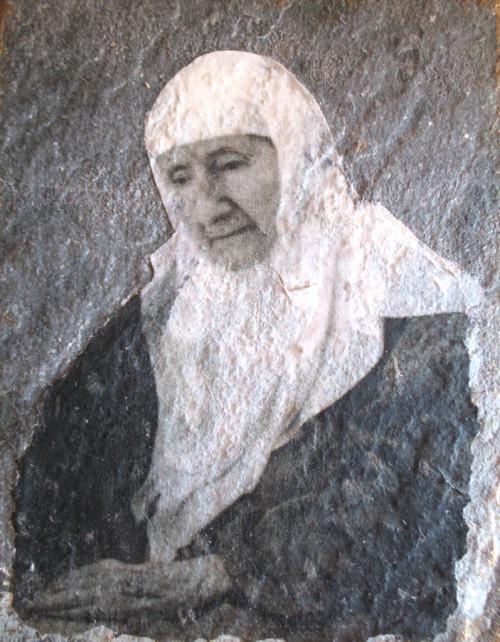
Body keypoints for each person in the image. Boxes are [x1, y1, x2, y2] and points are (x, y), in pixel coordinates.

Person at [14, 52, 481, 640]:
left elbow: (411, 510)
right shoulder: (168, 310)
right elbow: (63, 468)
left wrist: (221, 573)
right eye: (179, 178)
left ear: (299, 156)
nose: (206, 206)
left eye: (229, 164)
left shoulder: (409, 302)